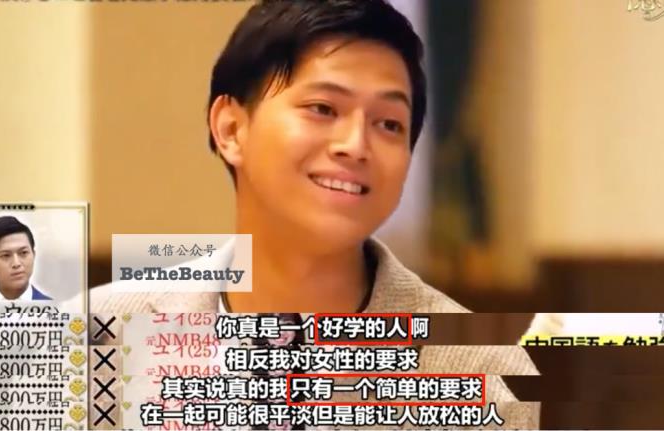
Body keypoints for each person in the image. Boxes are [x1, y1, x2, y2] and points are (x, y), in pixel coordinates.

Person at [90, 1, 539, 427]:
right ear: (230, 128)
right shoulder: (100, 338)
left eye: (388, 124)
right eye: (323, 109)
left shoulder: (479, 376)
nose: (355, 146)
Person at [0, 215, 52, 301]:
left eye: (23, 253)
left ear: (33, 255)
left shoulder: (54, 307)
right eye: (6, 255)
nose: (16, 263)